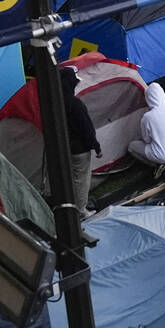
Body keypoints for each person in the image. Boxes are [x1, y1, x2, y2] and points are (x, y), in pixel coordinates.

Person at [59, 66, 101, 218]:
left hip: (63, 147)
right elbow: (86, 128)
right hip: (79, 149)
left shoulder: (55, 102)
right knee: (81, 181)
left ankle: (68, 205)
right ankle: (81, 211)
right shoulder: (75, 104)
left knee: (69, 178)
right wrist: (96, 147)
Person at [128, 83, 165, 166]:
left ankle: (156, 166)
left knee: (131, 147)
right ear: (162, 94)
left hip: (161, 156)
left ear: (148, 98)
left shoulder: (147, 117)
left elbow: (146, 140)